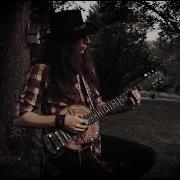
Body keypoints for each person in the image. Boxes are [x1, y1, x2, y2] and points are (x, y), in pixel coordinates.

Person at [13, 10, 156, 178]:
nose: (87, 42)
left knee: (146, 156)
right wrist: (62, 120)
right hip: (64, 150)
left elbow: (100, 107)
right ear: (65, 43)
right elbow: (21, 117)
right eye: (81, 38)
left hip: (93, 143)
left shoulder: (85, 70)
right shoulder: (42, 70)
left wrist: (126, 105)